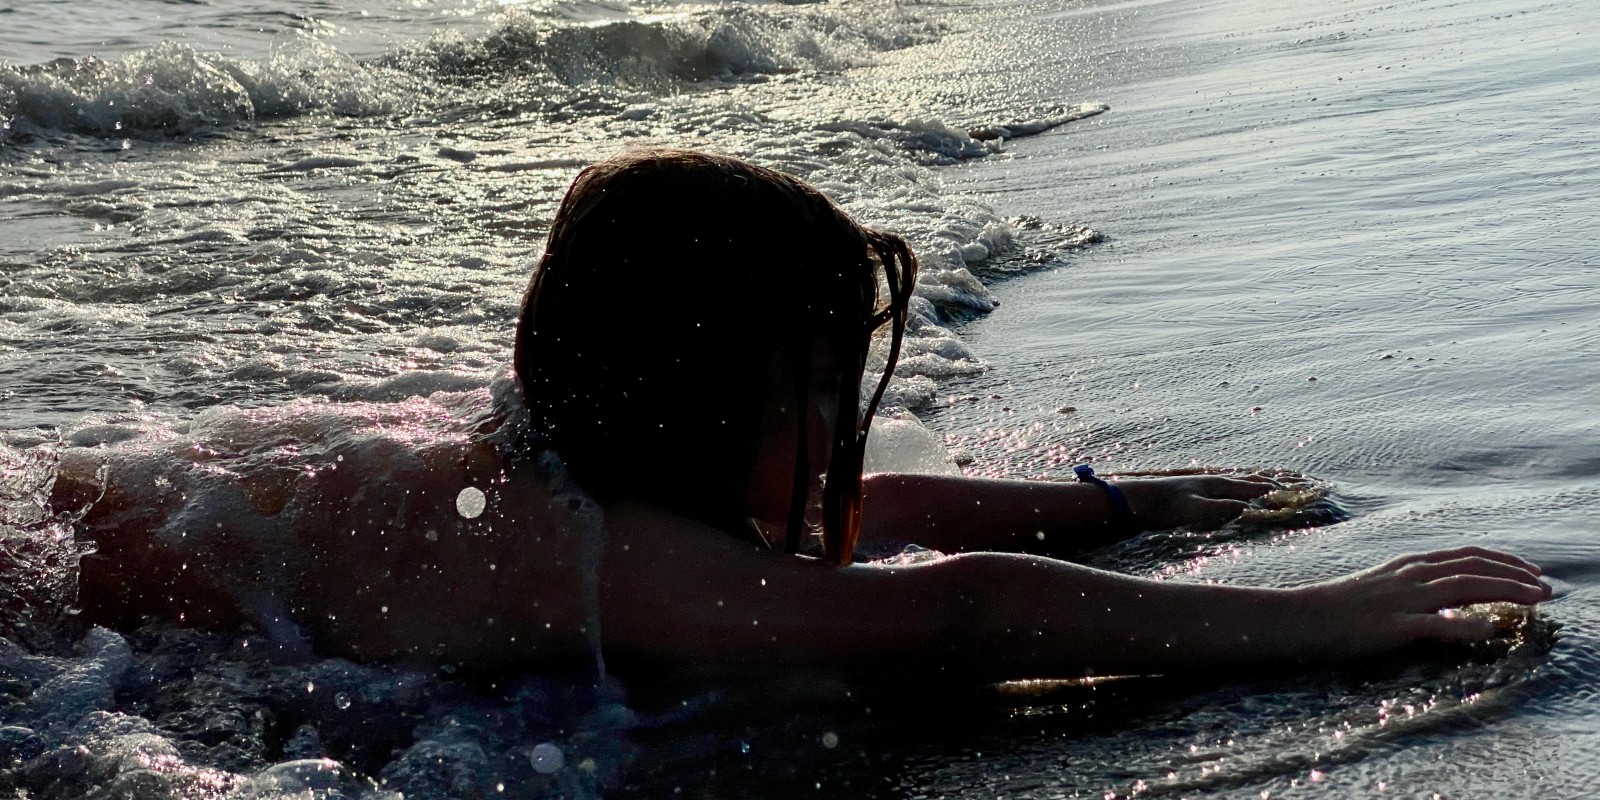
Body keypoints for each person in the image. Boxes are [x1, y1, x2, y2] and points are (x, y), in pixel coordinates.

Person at [48, 148, 1550, 684]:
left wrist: (1121, 503)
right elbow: (950, 621)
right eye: (818, 389)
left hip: (151, 512)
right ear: (695, 401)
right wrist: (1327, 620)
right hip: (53, 618)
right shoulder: (611, 562)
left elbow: (862, 520)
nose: (846, 425)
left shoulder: (570, 481)